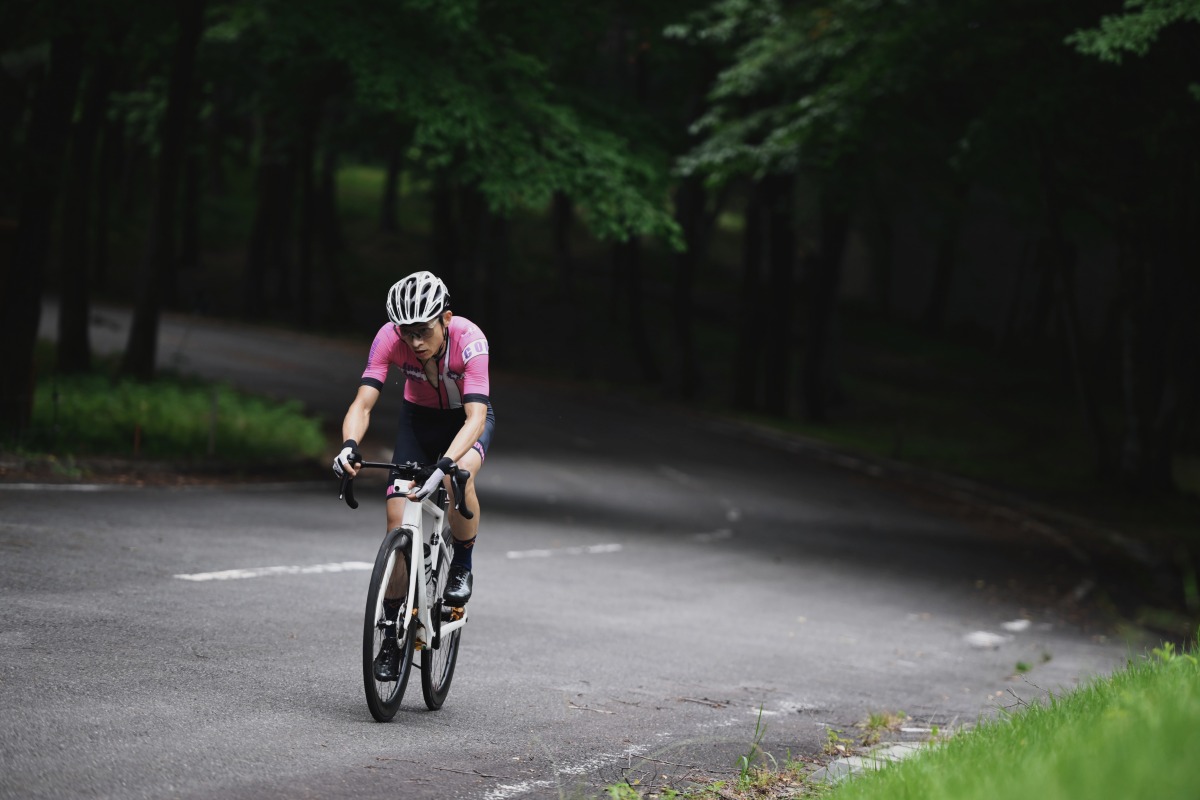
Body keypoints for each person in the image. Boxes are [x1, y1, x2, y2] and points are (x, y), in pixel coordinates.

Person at [332, 270, 494, 681]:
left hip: (465, 420)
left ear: (446, 318)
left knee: (460, 476)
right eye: (407, 332)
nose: (415, 342)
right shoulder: (389, 338)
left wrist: (446, 465)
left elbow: (476, 415)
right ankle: (391, 635)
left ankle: (461, 563)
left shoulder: (470, 340)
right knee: (395, 523)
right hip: (417, 422)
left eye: (423, 330)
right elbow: (363, 402)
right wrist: (350, 444)